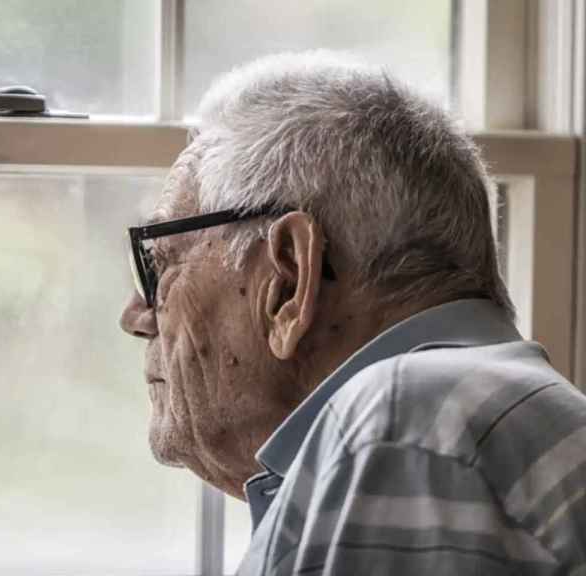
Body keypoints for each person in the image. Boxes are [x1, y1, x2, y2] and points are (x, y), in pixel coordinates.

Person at [119, 51, 586, 575]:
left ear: (289, 280)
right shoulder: (467, 419)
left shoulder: (406, 429)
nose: (137, 315)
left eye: (161, 263)